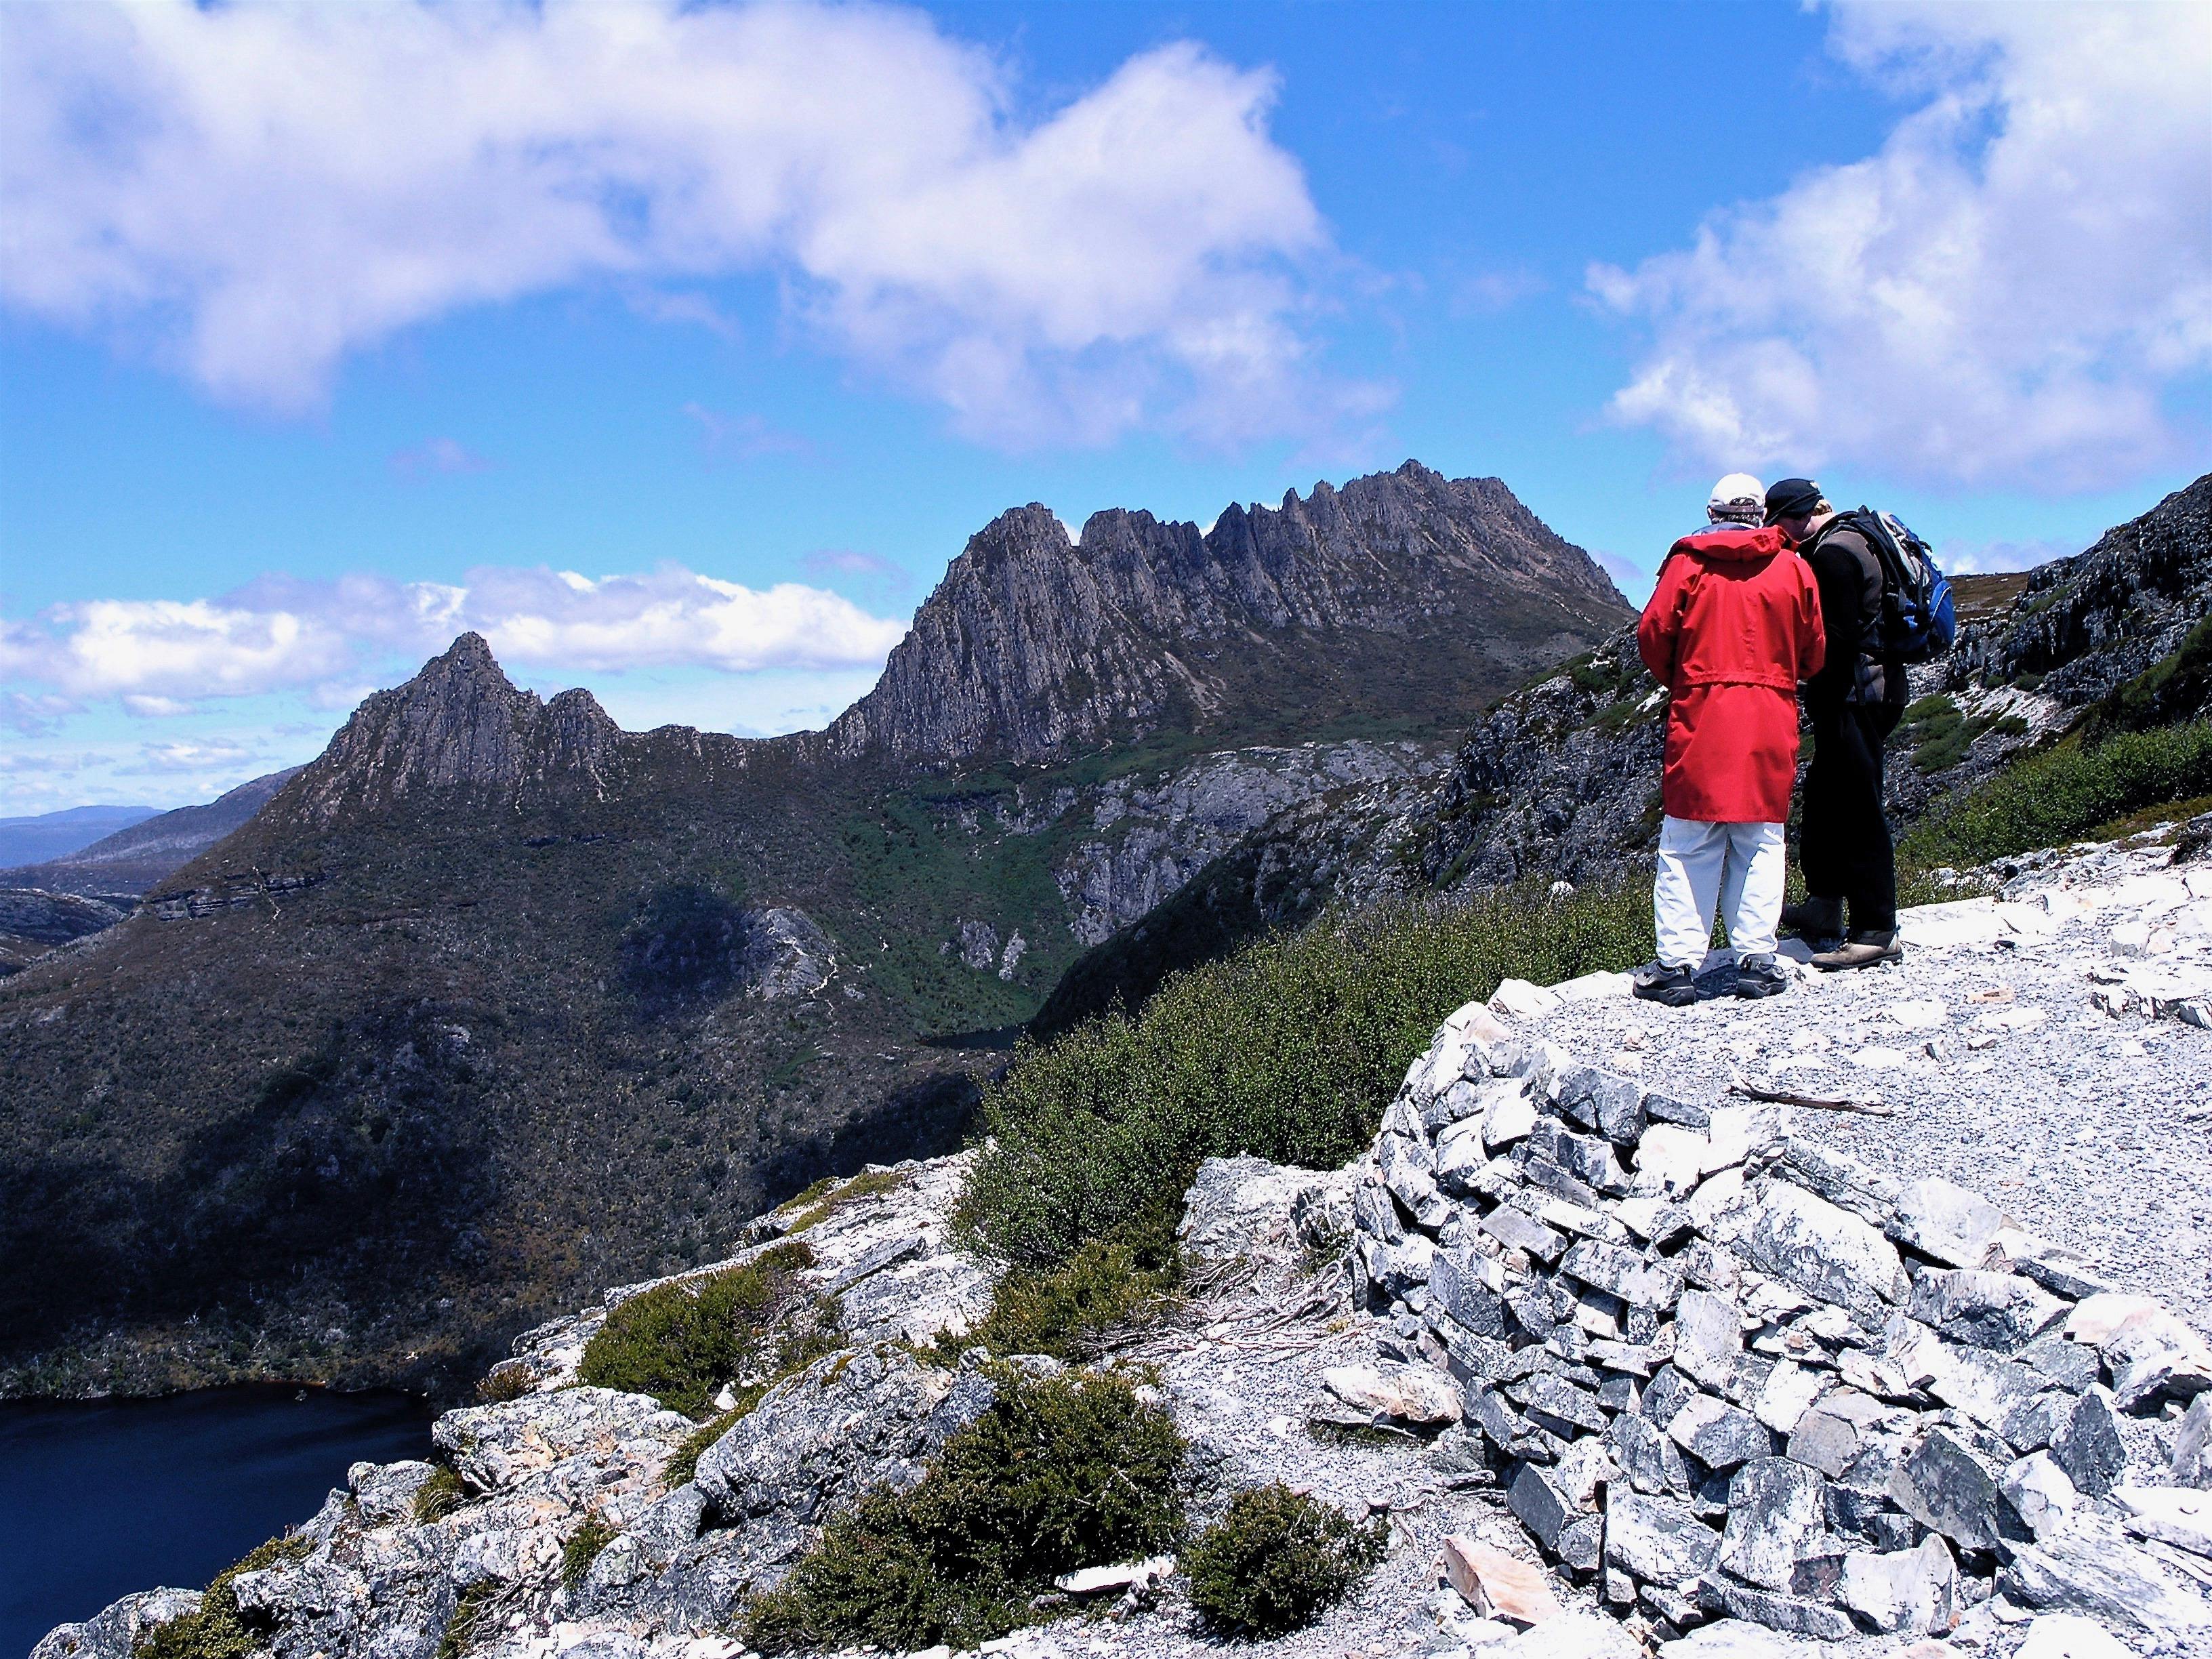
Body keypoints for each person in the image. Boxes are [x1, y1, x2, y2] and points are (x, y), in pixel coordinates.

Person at [1631, 474, 1826, 1006]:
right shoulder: (1792, 567)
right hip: (1769, 716)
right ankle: (1756, 962)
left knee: (1689, 844)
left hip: (1703, 716)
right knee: (1760, 841)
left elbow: (1653, 636)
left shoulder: (1687, 564)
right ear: (1760, 515)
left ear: (1713, 514)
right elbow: (1813, 650)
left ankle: (1677, 969)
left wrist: (1688, 679)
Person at [1765, 477, 1909, 970]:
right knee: (1827, 796)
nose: (1776, 535)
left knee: (1858, 808)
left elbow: (1838, 637)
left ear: (1794, 517)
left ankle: (1875, 929)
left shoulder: (1831, 556)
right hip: (1870, 693)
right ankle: (1824, 906)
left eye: (1777, 523)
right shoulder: (1856, 536)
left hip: (1855, 697)